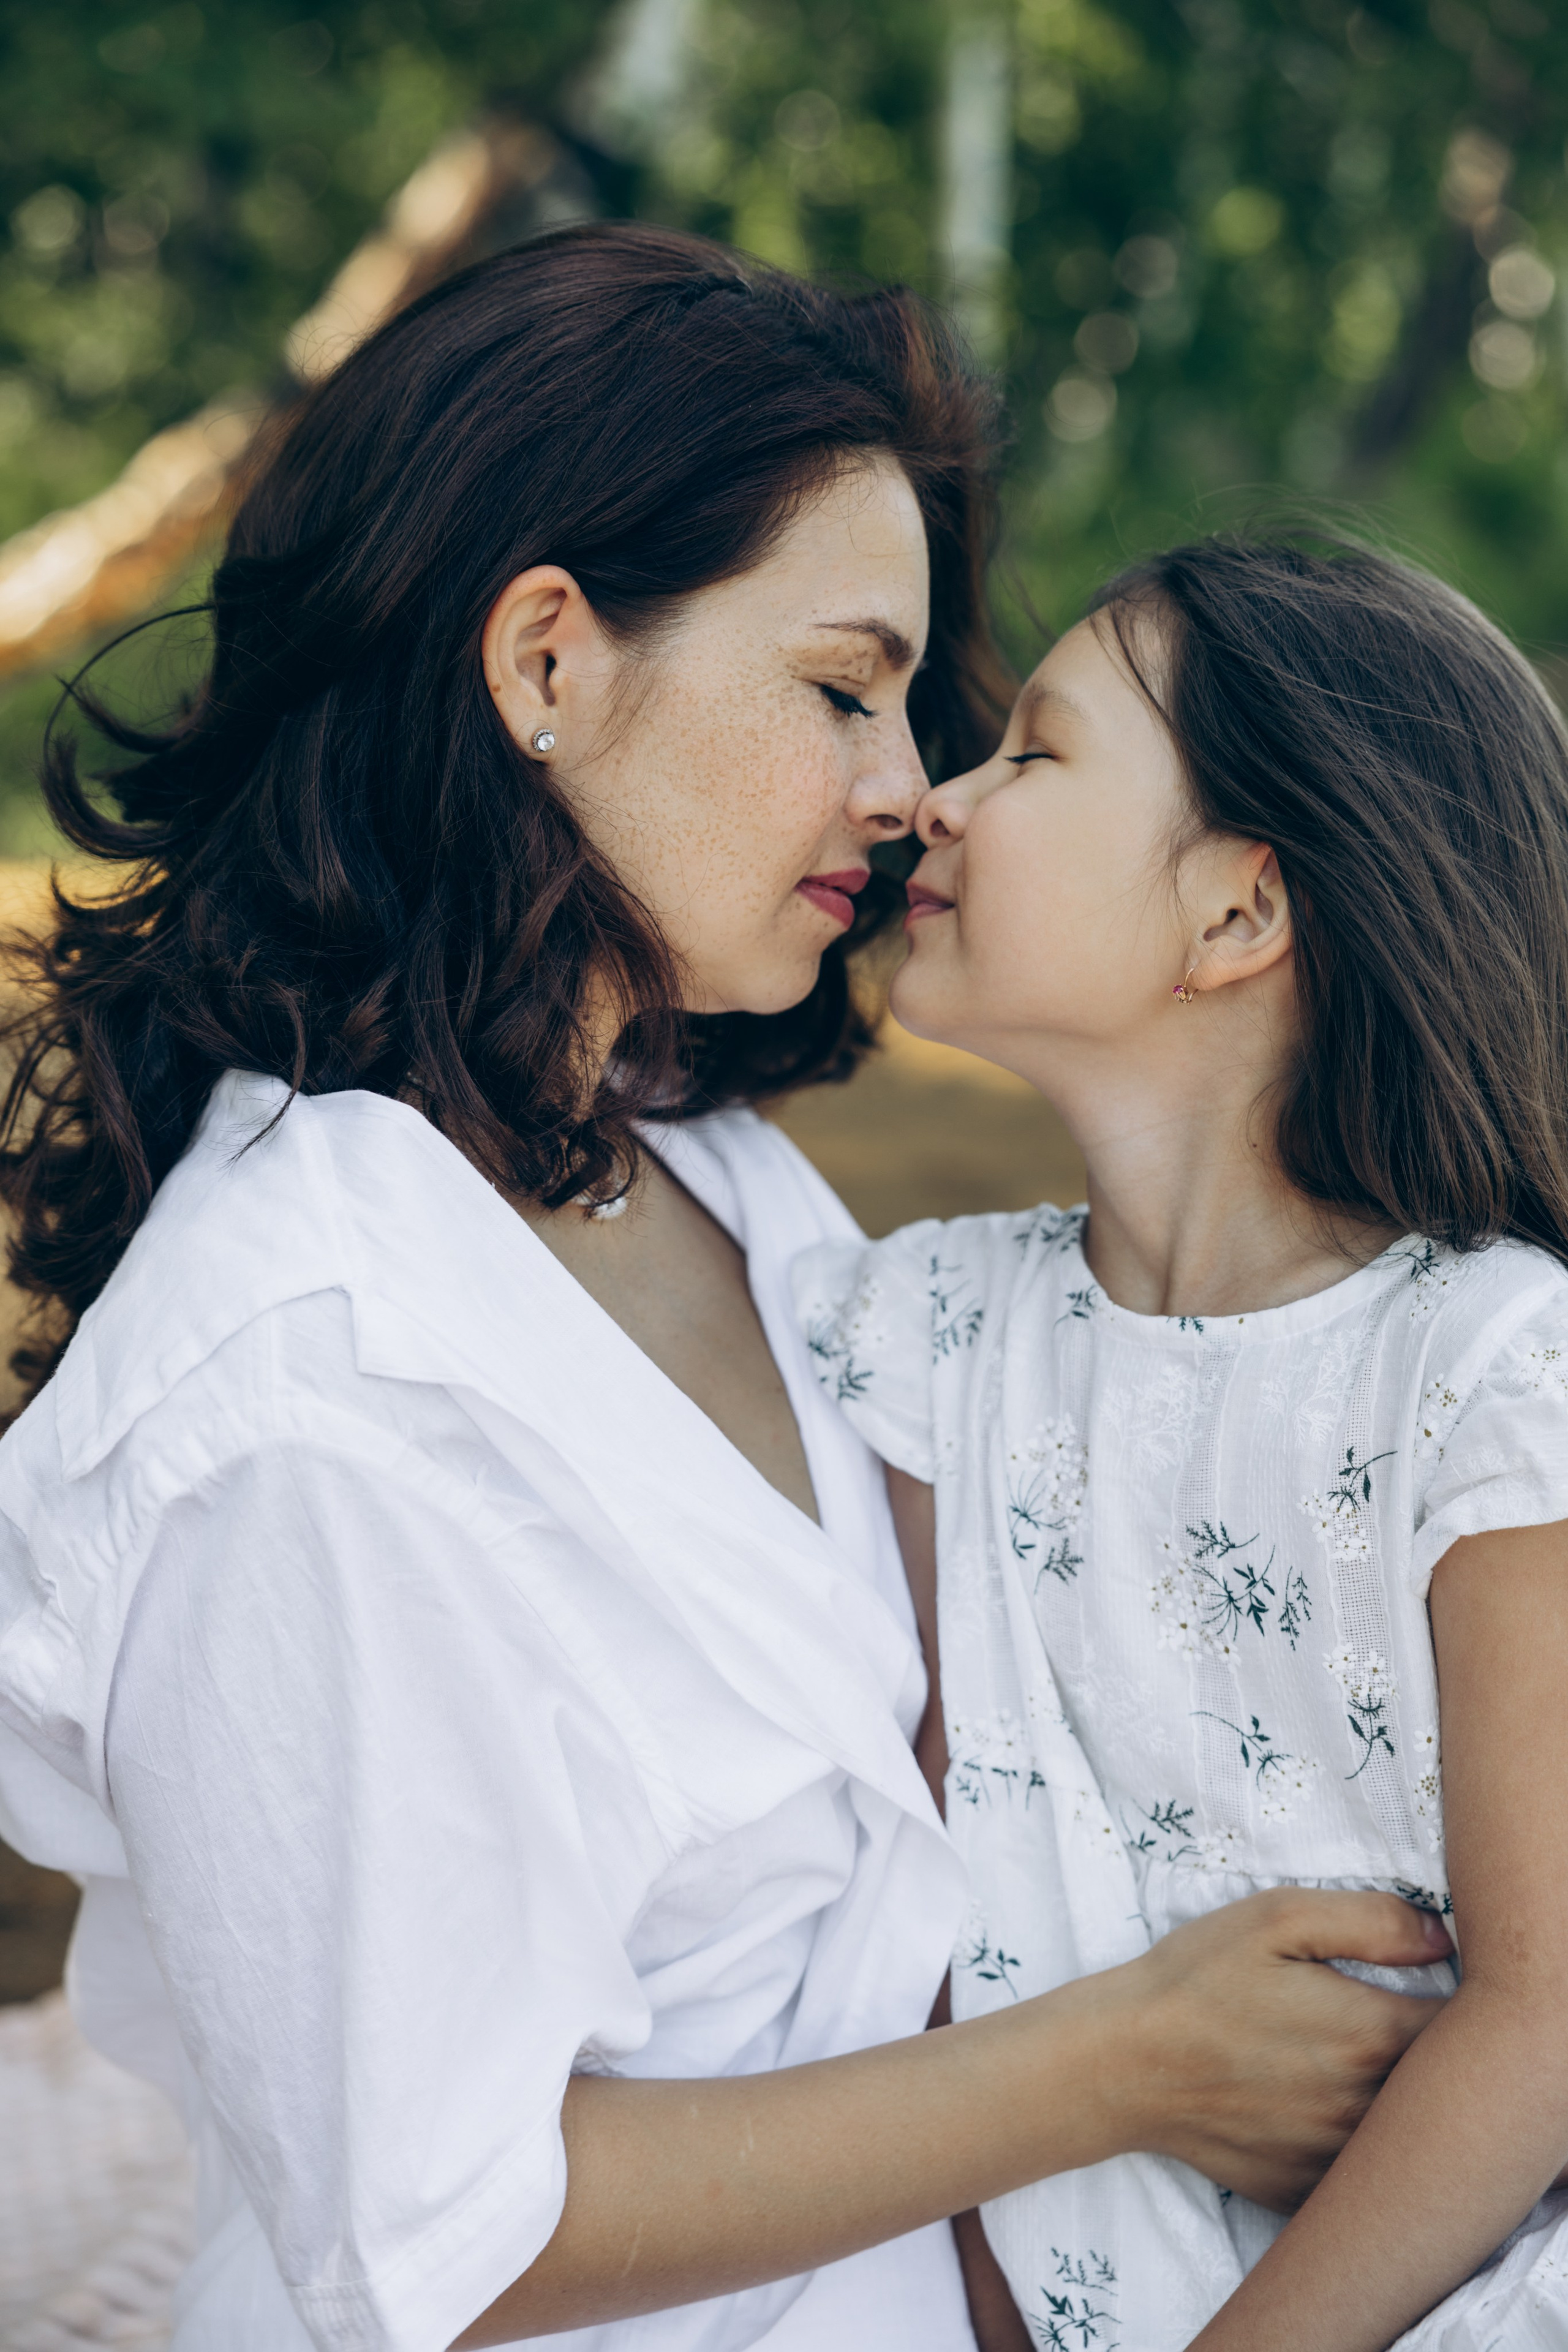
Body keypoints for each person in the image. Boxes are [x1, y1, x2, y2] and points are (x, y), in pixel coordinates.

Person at [0, 234, 1449, 2352]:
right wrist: (1131, 2062)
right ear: (547, 663)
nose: (905, 787)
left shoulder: (711, 1177)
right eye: (842, 686)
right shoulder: (302, 1399)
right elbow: (448, 2233)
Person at [793, 532, 1568, 2351]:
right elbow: (934, 1925)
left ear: (1237, 911)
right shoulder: (923, 1341)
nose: (935, 804)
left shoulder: (1493, 1375)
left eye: (1032, 755)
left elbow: (1546, 2017)